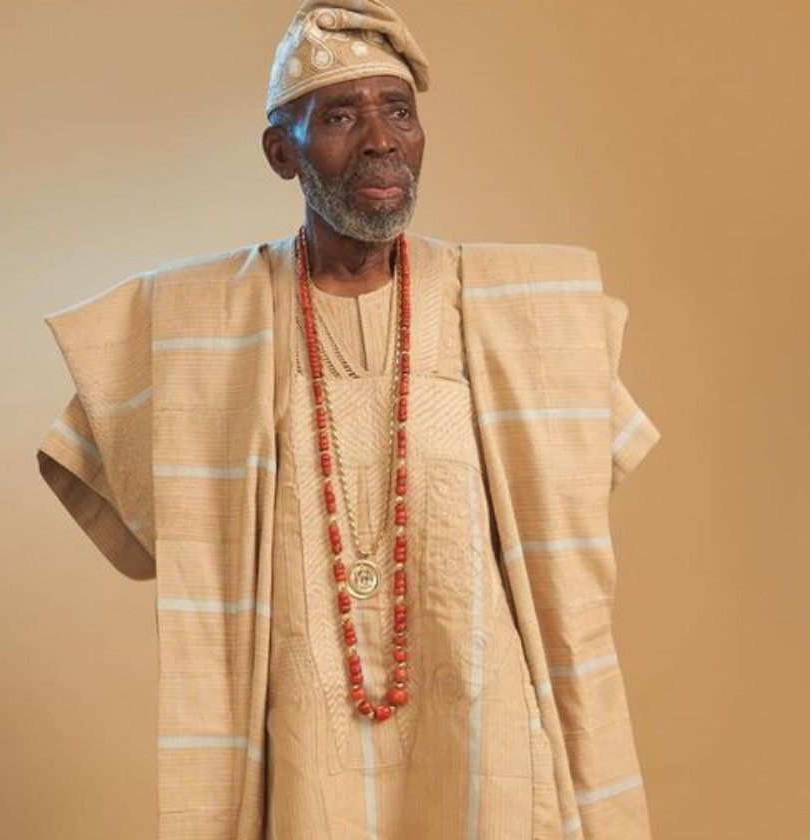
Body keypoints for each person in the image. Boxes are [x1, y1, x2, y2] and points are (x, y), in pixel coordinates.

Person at [35, 2, 660, 838]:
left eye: (398, 111)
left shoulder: (523, 316)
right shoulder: (196, 329)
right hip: (304, 755)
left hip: (487, 750)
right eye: (339, 117)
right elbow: (127, 501)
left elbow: (575, 482)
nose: (379, 141)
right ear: (280, 153)